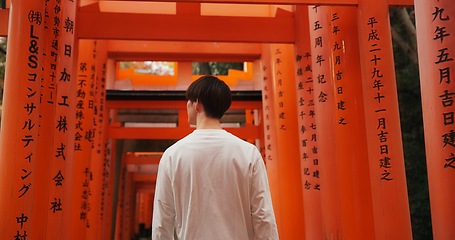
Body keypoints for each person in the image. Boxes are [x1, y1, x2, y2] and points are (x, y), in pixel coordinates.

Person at [151, 75, 279, 239]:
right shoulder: (248, 153)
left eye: (188, 101)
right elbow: (263, 216)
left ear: (197, 104)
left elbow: (163, 219)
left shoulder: (173, 155)